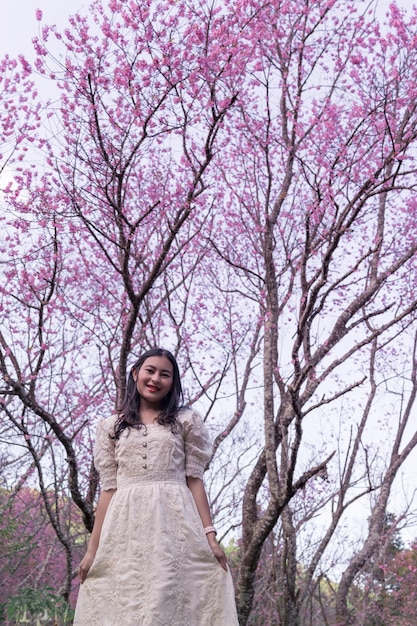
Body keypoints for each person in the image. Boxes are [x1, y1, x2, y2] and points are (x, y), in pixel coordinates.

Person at [74, 347, 239, 625]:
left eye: (165, 374)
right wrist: (92, 550)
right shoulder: (111, 426)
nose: (155, 379)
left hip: (174, 522)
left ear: (172, 383)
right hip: (124, 526)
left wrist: (210, 536)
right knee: (125, 600)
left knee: (169, 599)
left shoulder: (186, 420)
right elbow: (109, 490)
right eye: (150, 371)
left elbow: (194, 480)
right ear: (136, 373)